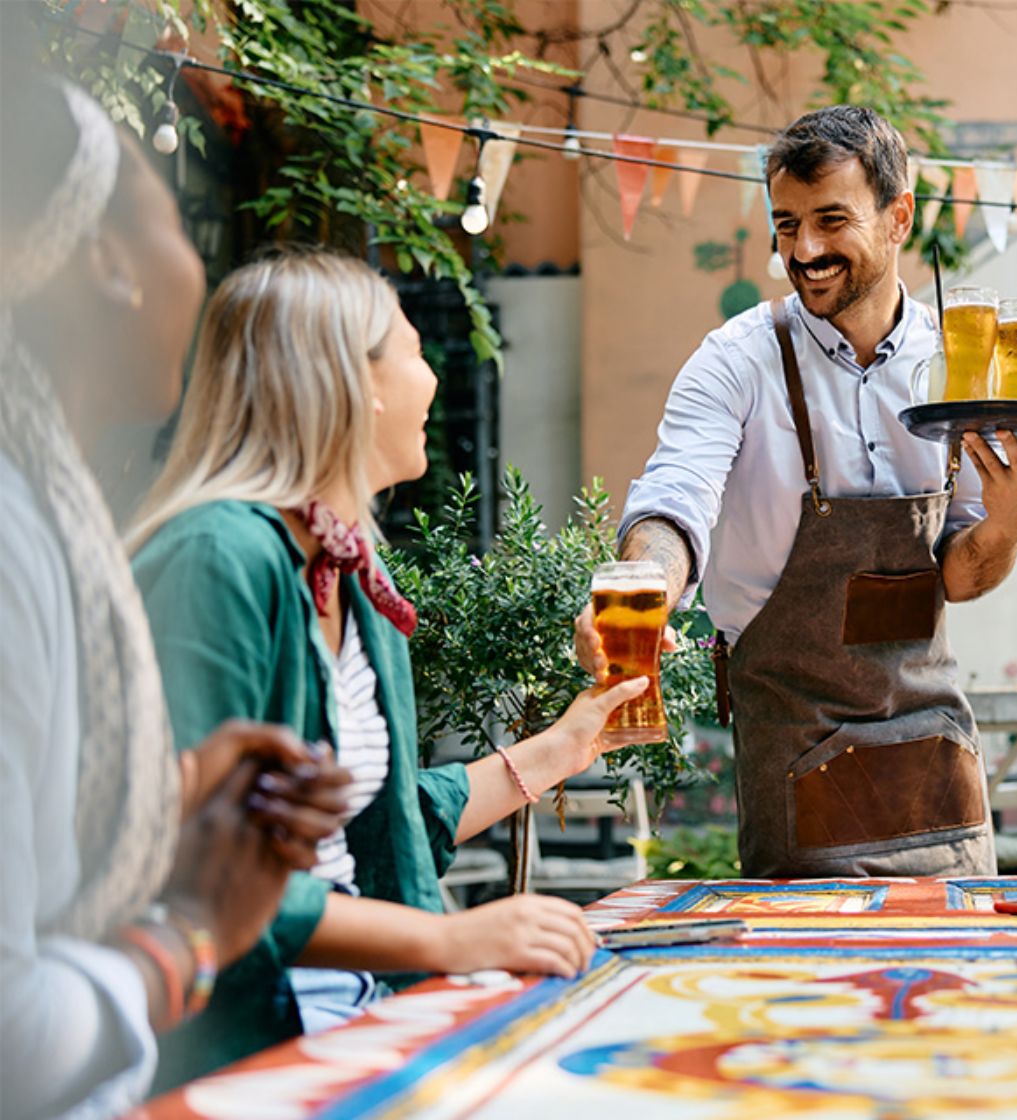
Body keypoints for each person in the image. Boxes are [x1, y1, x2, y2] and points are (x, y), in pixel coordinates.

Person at [124, 249, 653, 1086]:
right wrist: (448, 938)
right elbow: (199, 866)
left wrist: (570, 742)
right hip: (246, 1046)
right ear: (355, 381)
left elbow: (388, 825)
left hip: (353, 1018)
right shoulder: (217, 557)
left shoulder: (350, 572)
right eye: (414, 349)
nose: (435, 377)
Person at [575, 105, 1017, 879]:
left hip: (935, 771)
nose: (804, 250)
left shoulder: (959, 360)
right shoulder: (736, 362)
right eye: (787, 225)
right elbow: (675, 499)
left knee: (960, 956)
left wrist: (1009, 524)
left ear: (898, 217)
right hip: (796, 770)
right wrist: (644, 585)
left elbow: (960, 576)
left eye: (830, 221)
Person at [0, 70, 349, 1119]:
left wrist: (177, 790)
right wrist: (191, 932)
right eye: (173, 218)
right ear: (107, 262)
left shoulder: (48, 516)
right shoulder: (36, 541)